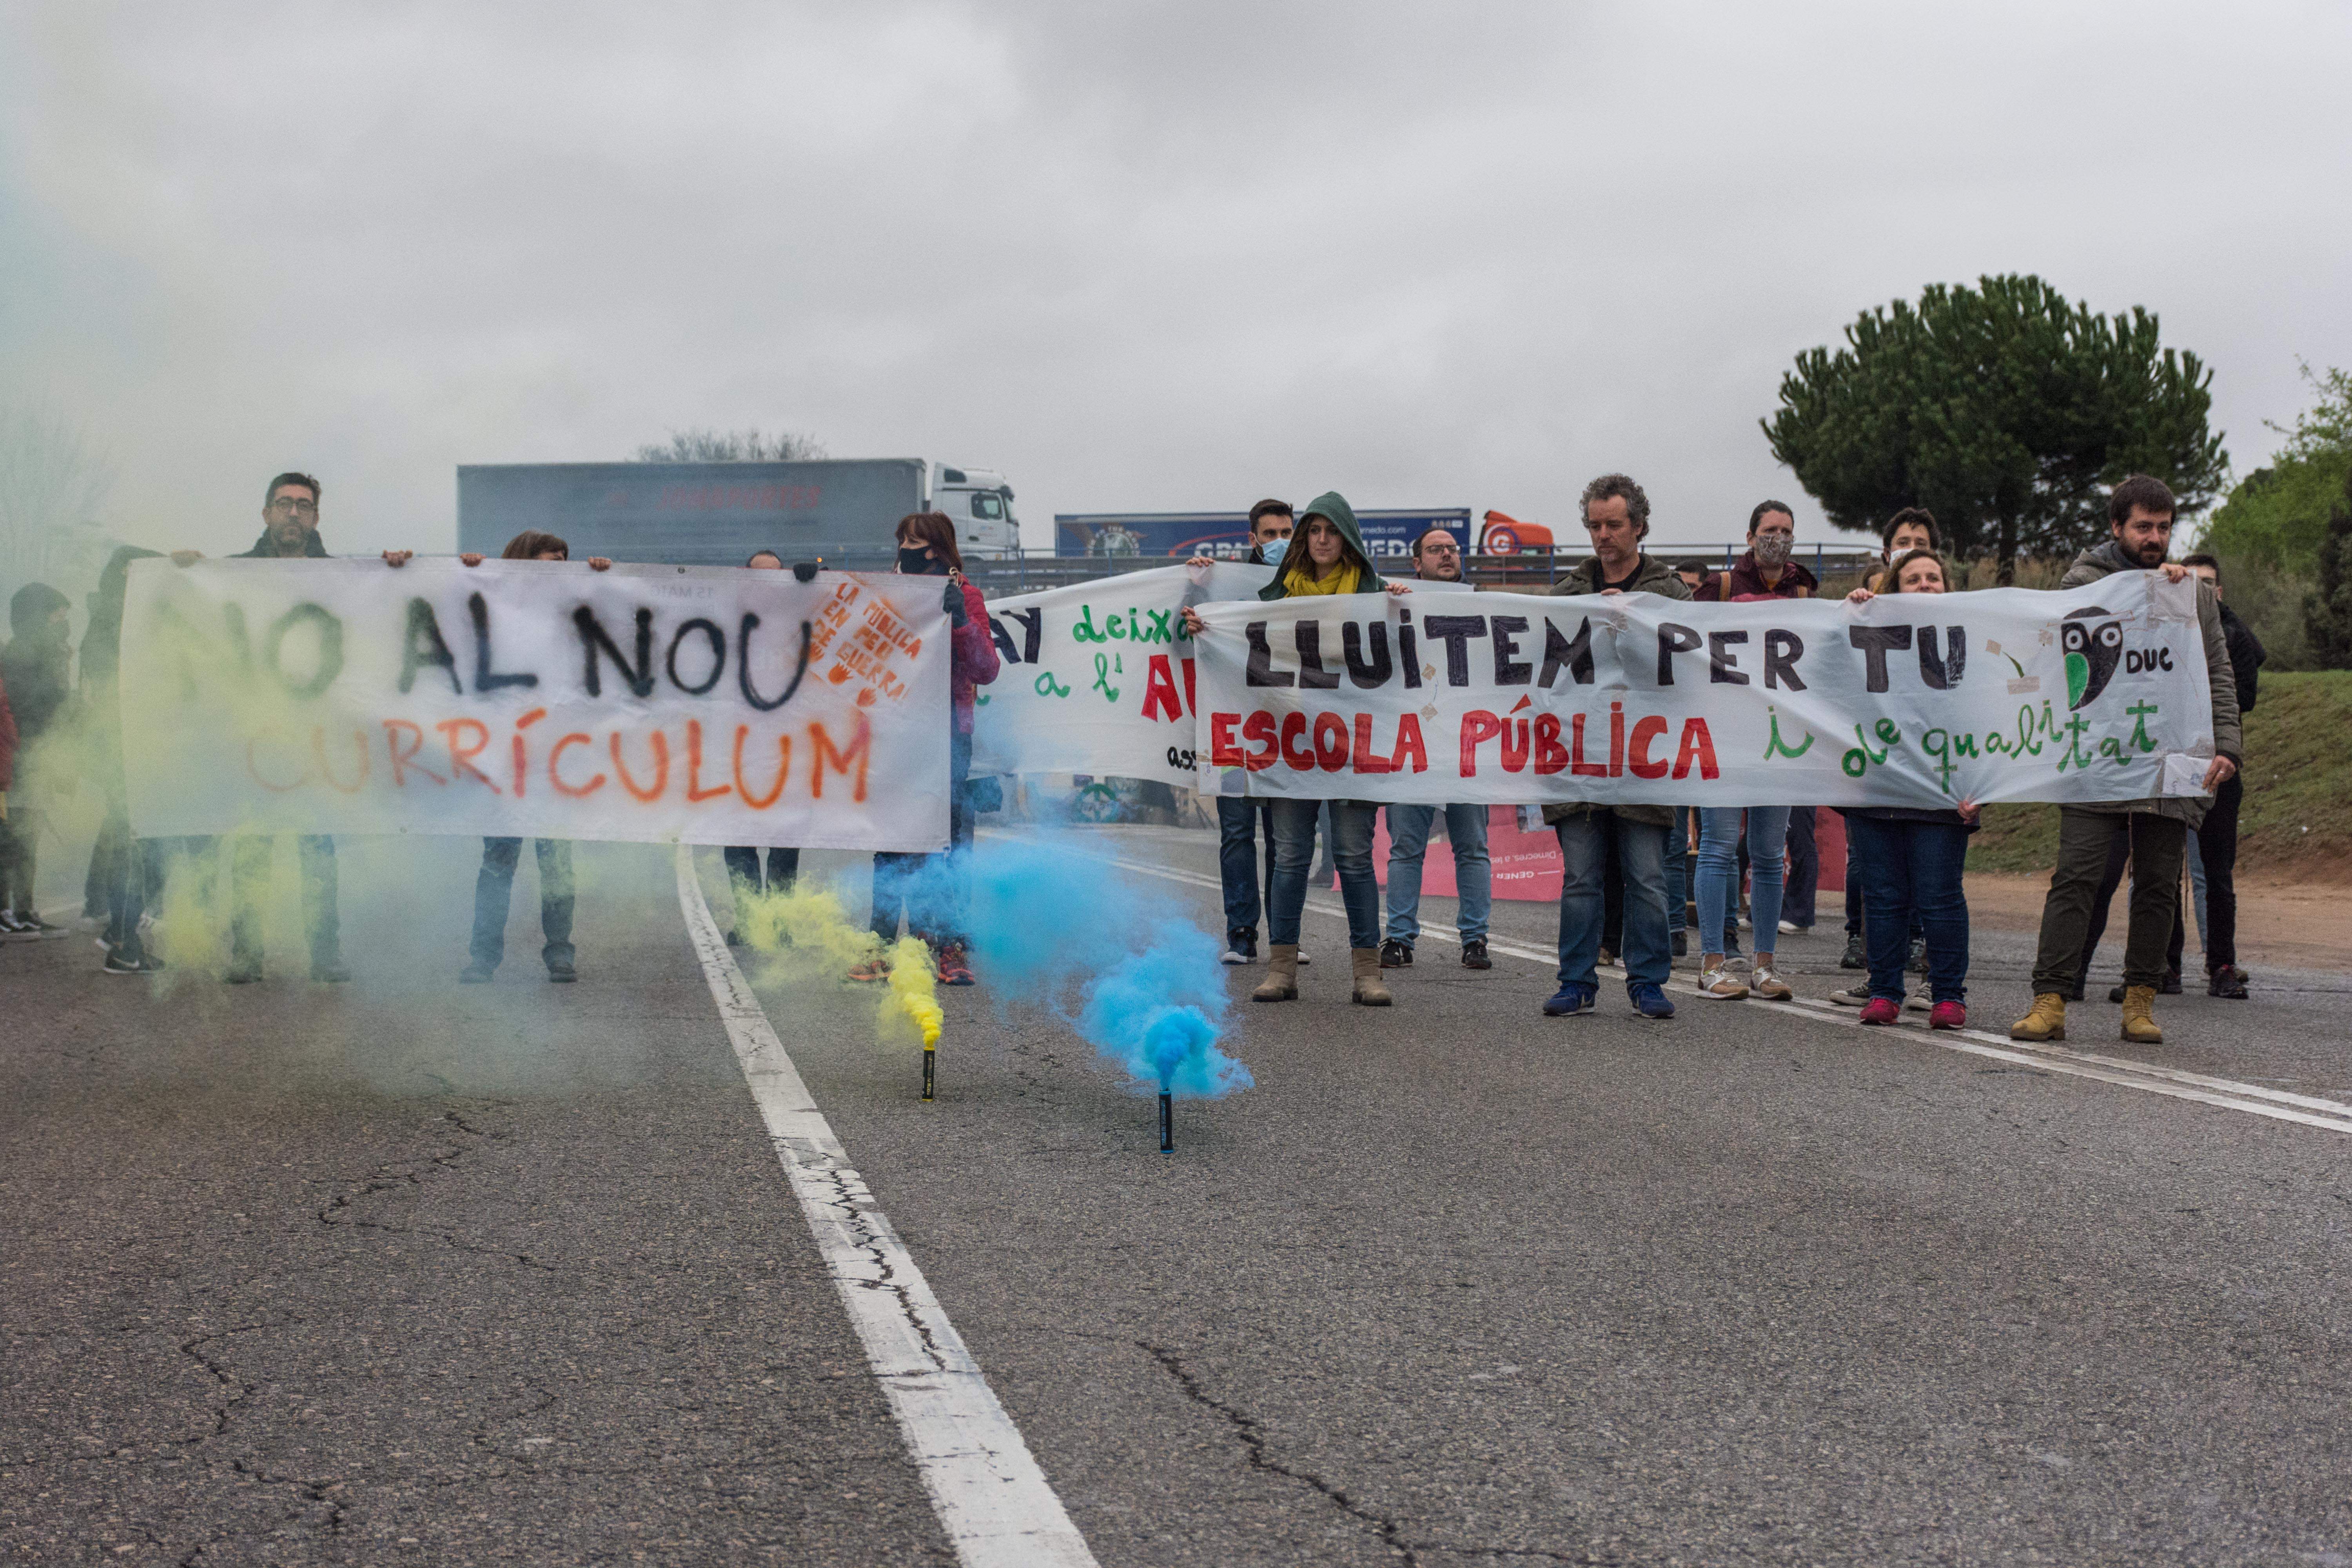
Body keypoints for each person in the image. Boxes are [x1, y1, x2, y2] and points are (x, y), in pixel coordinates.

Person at [2011, 476, 2240, 1045]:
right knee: (2077, 878)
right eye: (2143, 526)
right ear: (2117, 527)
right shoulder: (2083, 583)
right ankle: (2050, 999)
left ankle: (2140, 1001)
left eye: (2163, 528)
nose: (2155, 538)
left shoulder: (2192, 595)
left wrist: (2228, 746)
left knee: (2160, 884)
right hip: (2098, 759)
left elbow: (2218, 672)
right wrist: (2141, 589)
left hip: (2171, 760)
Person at [1183, 492, 1412, 1006]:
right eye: (1314, 532)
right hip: (1291, 750)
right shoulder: (1276, 598)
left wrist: (1403, 607)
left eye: (1331, 530)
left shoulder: (1375, 595)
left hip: (1353, 751)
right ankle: (1282, 970)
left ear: (1348, 537)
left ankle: (1367, 973)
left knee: (1353, 857)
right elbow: (1234, 645)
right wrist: (1205, 625)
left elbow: (1406, 658)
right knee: (1289, 857)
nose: (1322, 540)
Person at [2069, 550, 2265, 1004]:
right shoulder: (2151, 623)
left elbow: (2247, 685)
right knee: (2149, 871)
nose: (2201, 589)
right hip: (2146, 765)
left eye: (2211, 584)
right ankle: (2160, 965)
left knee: (2212, 872)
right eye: (2193, 581)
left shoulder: (2230, 634)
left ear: (2221, 592)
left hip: (2212, 767)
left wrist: (2208, 610)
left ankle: (2221, 965)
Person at [1538, 474, 1687, 1020]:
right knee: (1581, 879)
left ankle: (1647, 983)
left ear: (1640, 526)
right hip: (1580, 759)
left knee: (1647, 876)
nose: (1603, 535)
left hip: (1645, 759)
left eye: (1614, 524)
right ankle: (1576, 981)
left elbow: (1689, 672)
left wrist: (1633, 622)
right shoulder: (1567, 594)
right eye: (1595, 525)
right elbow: (1546, 669)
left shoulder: (1671, 593)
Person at [1829, 549, 1979, 1027]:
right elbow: (1827, 673)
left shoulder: (1968, 639)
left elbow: (1990, 719)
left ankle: (1949, 995)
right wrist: (1854, 613)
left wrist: (1984, 789)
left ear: (1947, 586)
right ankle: (1885, 990)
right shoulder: (1869, 631)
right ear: (1895, 590)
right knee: (1884, 895)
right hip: (1879, 788)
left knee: (1939, 894)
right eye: (1912, 579)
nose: (1925, 586)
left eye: (1934, 577)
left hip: (1943, 791)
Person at [854, 513, 1000, 986]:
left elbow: (987, 669)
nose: (904, 549)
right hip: (896, 733)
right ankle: (880, 944)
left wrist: (959, 618)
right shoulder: (885, 593)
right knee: (892, 840)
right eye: (900, 541)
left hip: (947, 735)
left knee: (949, 842)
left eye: (913, 542)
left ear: (936, 549)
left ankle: (948, 945)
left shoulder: (967, 595)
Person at [1692, 501, 1815, 1002]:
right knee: (1719, 849)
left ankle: (1764, 965)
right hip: (1724, 734)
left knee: (1768, 855)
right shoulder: (1719, 588)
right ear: (1750, 535)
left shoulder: (1805, 591)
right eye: (1770, 530)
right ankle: (1712, 963)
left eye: (1786, 531)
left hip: (1778, 741)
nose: (1778, 538)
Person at [1190, 500, 1300, 967]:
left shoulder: (1309, 582)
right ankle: (1241, 934)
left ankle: (1284, 936)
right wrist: (1193, 594)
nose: (1280, 541)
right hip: (1233, 726)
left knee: (1285, 837)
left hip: (1286, 728)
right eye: (1271, 533)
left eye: (1287, 532)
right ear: (1252, 539)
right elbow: (1184, 625)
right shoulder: (1225, 582)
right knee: (1237, 833)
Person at [1381, 526, 1493, 971]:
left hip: (1467, 740)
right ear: (1417, 562)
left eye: (1452, 548)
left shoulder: (1485, 606)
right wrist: (1390, 608)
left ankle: (1476, 938)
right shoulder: (1397, 604)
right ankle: (1400, 938)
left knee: (1473, 846)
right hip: (1416, 742)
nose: (1447, 554)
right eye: (1436, 549)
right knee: (1407, 845)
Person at [725, 549, 800, 940]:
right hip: (739, 744)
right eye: (760, 576)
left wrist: (817, 583)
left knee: (785, 838)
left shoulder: (799, 613)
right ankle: (751, 916)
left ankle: (781, 919)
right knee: (738, 838)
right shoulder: (728, 614)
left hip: (787, 745)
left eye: (777, 575)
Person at [0, 582, 77, 939]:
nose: (61, 619)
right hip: (21, 755)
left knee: (30, 835)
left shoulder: (45, 652)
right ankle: (5, 910)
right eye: (54, 613)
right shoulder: (19, 653)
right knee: (12, 835)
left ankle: (25, 909)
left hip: (39, 754)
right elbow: (28, 706)